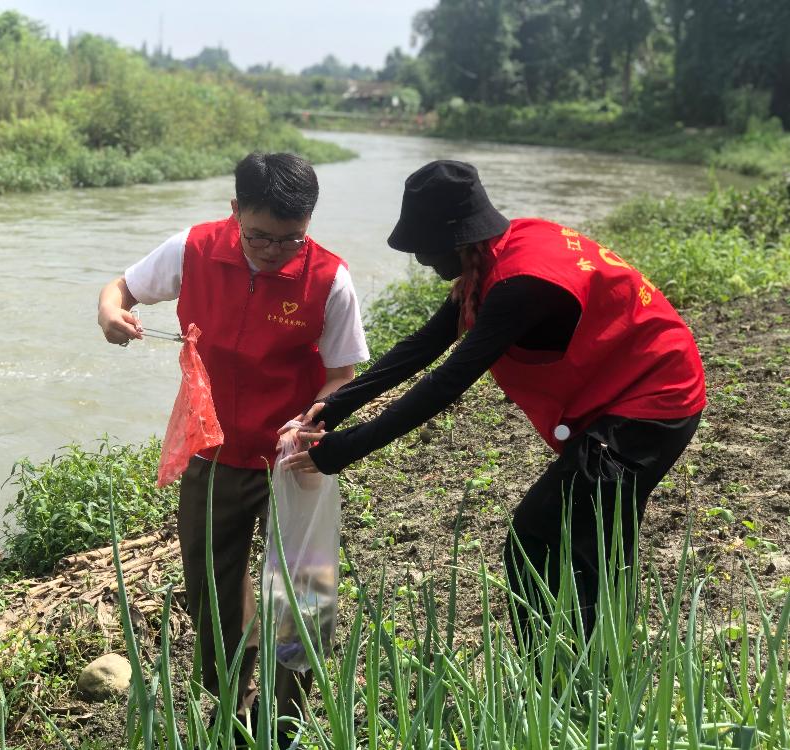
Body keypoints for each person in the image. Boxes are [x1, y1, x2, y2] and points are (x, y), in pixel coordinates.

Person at [284, 160, 705, 649]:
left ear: (456, 238)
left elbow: (445, 383)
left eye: (424, 246)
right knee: (590, 535)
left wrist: (341, 451)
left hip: (652, 400)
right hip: (622, 389)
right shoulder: (492, 257)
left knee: (540, 536)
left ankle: (562, 669)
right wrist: (334, 407)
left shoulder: (519, 284)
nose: (420, 259)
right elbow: (423, 346)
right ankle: (587, 661)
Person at [97, 152, 369, 741]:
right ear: (235, 211)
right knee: (211, 587)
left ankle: (286, 718)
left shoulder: (330, 279)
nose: (274, 251)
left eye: (290, 239)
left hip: (294, 459)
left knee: (303, 588)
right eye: (259, 236)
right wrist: (111, 313)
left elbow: (343, 375)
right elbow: (121, 288)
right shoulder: (192, 250)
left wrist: (311, 425)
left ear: (308, 223)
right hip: (214, 450)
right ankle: (233, 704)